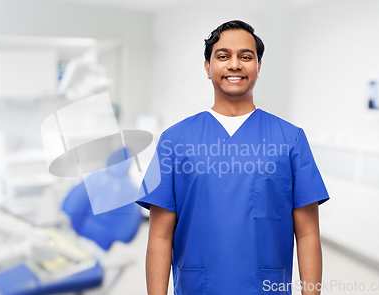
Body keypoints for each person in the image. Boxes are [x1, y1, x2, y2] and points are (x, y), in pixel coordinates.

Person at [135, 20, 330, 295]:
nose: (235, 64)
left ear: (259, 67)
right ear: (208, 67)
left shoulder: (290, 139)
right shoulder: (174, 140)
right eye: (223, 56)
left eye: (246, 56)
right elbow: (159, 235)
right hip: (198, 287)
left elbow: (308, 234)